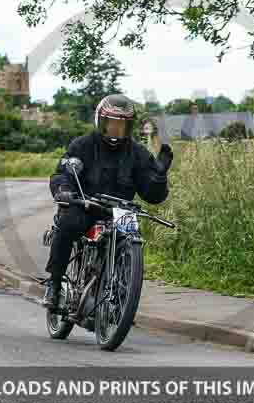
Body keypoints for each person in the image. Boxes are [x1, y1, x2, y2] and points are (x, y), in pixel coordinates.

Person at [44, 94, 174, 309]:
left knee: (131, 240)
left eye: (121, 125)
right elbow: (63, 173)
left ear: (129, 127)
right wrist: (64, 190)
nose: (115, 129)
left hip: (120, 211)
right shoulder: (83, 145)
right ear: (100, 122)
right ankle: (54, 284)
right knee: (68, 224)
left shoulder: (138, 154)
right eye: (111, 123)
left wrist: (159, 176)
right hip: (87, 205)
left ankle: (124, 301)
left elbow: (152, 196)